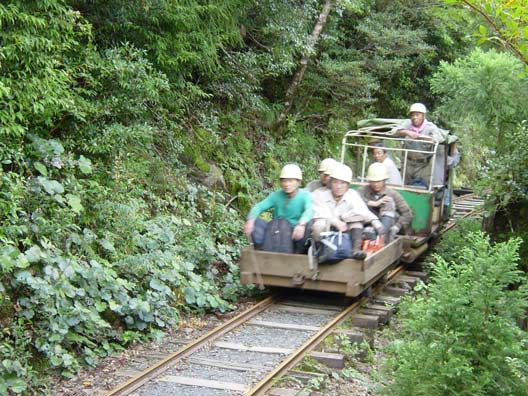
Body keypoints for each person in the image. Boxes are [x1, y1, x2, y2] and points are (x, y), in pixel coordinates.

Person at [312, 163, 385, 259]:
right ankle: (319, 252)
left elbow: (362, 211)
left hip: (345, 230)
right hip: (327, 231)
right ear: (331, 183)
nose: (339, 186)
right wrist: (335, 222)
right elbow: (319, 213)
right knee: (319, 224)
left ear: (347, 185)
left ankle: (355, 250)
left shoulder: (352, 195)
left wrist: (375, 221)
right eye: (335, 182)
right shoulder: (320, 194)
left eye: (342, 183)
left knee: (357, 222)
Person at [243, 164, 313, 253]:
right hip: (277, 232)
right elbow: (259, 207)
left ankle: (298, 253)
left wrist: (301, 224)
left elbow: (309, 210)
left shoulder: (305, 196)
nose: (287, 184)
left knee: (310, 224)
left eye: (290, 181)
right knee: (257, 223)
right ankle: (262, 251)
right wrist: (251, 220)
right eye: (284, 181)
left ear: (298, 182)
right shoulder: (276, 195)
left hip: (295, 235)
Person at [358, 163, 413, 243]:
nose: (376, 184)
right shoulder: (363, 190)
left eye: (379, 181)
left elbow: (407, 214)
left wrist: (397, 227)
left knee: (389, 202)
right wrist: (372, 203)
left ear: (384, 180)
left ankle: (382, 237)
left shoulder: (393, 194)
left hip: (388, 225)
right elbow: (353, 199)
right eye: (373, 181)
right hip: (370, 223)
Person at [397, 103, 445, 187]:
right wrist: (407, 132)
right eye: (412, 115)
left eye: (417, 115)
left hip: (423, 166)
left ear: (423, 115)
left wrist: (422, 137)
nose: (414, 118)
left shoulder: (430, 127)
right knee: (404, 188)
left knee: (421, 188)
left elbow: (439, 139)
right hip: (408, 163)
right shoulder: (407, 124)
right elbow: (394, 131)